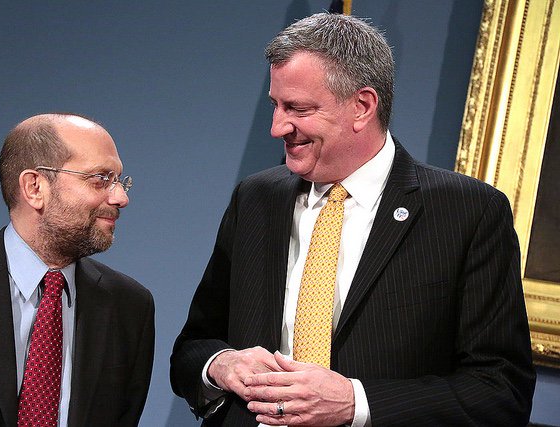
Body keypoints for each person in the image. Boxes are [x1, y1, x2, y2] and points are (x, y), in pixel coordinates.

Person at [170, 13, 535, 426]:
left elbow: (500, 390)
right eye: (276, 105)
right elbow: (192, 348)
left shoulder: (468, 212)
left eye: (298, 108)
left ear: (362, 106)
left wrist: (355, 402)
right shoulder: (256, 198)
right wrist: (220, 364)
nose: (277, 127)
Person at [0, 113, 154, 426]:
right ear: (34, 187)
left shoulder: (130, 308)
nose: (121, 197)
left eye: (120, 181)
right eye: (100, 179)